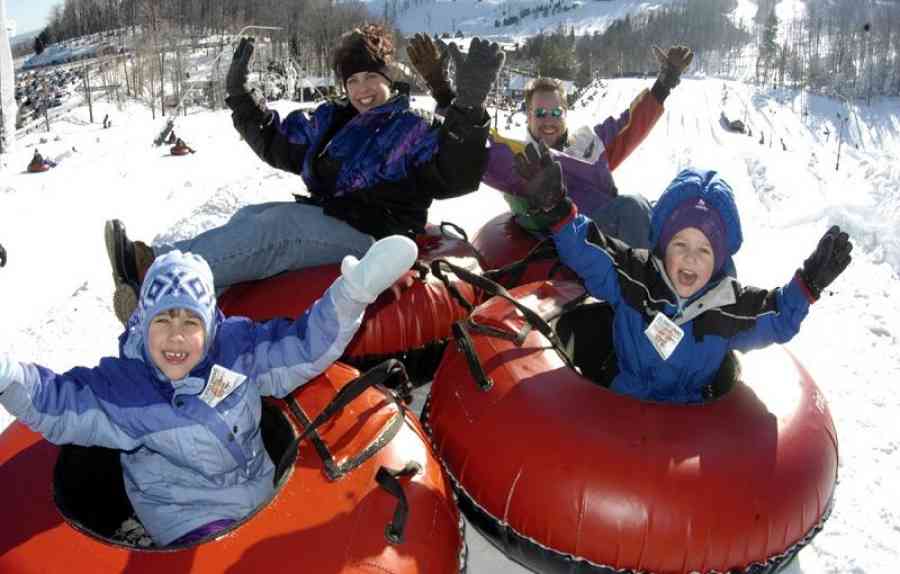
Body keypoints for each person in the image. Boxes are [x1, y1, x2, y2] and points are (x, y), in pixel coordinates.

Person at [0, 235, 418, 546]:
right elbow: (57, 402)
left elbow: (304, 345)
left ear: (211, 326)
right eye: (162, 322)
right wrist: (6, 374)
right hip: (184, 508)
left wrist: (351, 294)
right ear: (143, 324)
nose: (176, 338)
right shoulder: (126, 389)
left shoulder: (238, 352)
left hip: (257, 483)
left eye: (190, 322)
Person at [104, 24, 503, 326]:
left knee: (279, 228)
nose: (362, 89)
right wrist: (241, 97)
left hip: (379, 235)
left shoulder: (411, 126)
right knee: (251, 218)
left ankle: (156, 275)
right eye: (352, 80)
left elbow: (457, 172)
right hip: (334, 218)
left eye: (371, 77)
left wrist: (467, 106)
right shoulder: (333, 120)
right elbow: (278, 141)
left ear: (389, 78)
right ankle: (181, 314)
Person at [513, 142, 853, 403]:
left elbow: (775, 316)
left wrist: (807, 285)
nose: (691, 259)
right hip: (620, 402)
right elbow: (589, 251)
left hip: (689, 419)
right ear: (663, 245)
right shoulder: (636, 275)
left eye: (704, 250)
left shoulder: (727, 306)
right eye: (680, 245)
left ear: (719, 259)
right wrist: (558, 208)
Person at [407, 34, 692, 248]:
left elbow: (629, 127)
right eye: (539, 113)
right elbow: (471, 144)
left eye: (555, 112)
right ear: (528, 117)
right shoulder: (518, 157)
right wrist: (443, 91)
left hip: (616, 229)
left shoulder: (589, 145)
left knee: (681, 205)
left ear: (566, 114)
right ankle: (651, 295)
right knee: (633, 206)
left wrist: (665, 83)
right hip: (573, 237)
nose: (548, 120)